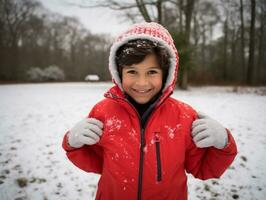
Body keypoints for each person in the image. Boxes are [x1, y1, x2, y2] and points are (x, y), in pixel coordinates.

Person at [62, 22, 237, 200]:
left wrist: (223, 144)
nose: (142, 83)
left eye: (152, 72)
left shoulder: (184, 117)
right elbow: (97, 162)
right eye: (132, 71)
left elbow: (203, 168)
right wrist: (73, 144)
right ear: (119, 72)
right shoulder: (103, 112)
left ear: (166, 73)